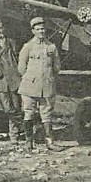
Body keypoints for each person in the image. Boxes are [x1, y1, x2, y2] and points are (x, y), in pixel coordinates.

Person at [17, 16, 62, 152]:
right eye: (38, 29)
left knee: (47, 114)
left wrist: (48, 78)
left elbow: (57, 67)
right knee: (29, 113)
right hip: (30, 86)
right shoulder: (27, 47)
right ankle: (29, 142)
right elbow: (21, 68)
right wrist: (30, 77)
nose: (41, 31)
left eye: (42, 29)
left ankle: (50, 142)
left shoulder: (51, 47)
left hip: (46, 86)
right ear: (33, 31)